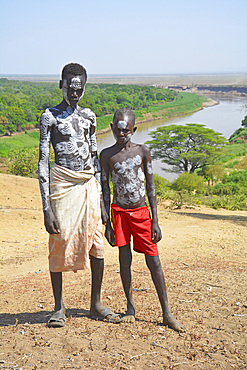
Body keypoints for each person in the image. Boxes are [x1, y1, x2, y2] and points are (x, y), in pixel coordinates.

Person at [38, 63, 121, 327]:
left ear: (84, 88)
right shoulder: (49, 117)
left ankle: (95, 304)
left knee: (97, 243)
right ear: (61, 85)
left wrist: (102, 200)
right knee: (59, 240)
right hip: (62, 185)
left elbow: (95, 159)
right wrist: (46, 207)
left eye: (80, 89)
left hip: (88, 185)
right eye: (70, 88)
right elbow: (43, 161)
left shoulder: (89, 116)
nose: (74, 93)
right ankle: (58, 307)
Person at [100, 108, 185, 332]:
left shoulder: (143, 151)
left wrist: (155, 220)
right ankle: (130, 308)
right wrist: (107, 222)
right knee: (124, 259)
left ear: (133, 130)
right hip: (119, 213)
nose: (121, 134)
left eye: (126, 131)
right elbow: (105, 190)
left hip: (141, 213)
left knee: (154, 261)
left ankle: (166, 313)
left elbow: (151, 186)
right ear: (111, 128)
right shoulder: (107, 155)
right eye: (117, 130)